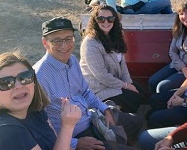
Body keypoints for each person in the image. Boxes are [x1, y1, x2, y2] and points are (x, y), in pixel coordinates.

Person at [33, 17, 142, 149]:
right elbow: (41, 125)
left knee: (138, 121)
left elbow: (85, 92)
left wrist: (105, 109)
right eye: (57, 41)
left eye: (69, 39)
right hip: (75, 136)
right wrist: (74, 143)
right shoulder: (39, 77)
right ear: (45, 43)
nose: (65, 46)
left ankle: (118, 142)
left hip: (93, 118)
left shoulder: (72, 60)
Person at [0, 52, 81, 150]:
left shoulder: (36, 111)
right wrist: (67, 126)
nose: (19, 86)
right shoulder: (7, 130)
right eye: (6, 82)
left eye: (25, 77)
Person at [80, 4, 142, 113]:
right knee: (134, 98)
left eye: (110, 19)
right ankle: (128, 122)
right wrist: (125, 86)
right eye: (101, 19)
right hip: (99, 88)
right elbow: (102, 76)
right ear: (95, 21)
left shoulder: (114, 37)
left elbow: (122, 65)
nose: (106, 22)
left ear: (114, 20)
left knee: (141, 91)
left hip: (114, 83)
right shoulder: (90, 43)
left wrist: (129, 83)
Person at [148, 2, 187, 93]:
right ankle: (154, 103)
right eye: (181, 14)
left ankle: (167, 105)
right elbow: (172, 51)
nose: (184, 16)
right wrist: (182, 67)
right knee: (152, 81)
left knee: (162, 87)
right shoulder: (179, 30)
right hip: (177, 65)